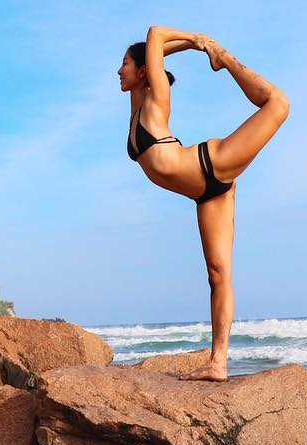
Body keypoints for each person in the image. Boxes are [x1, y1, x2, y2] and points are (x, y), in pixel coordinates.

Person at [119, 25, 290, 382]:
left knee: (278, 104)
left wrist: (202, 43)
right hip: (207, 194)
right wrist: (190, 47)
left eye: (124, 64)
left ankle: (226, 60)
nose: (118, 71)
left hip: (212, 162)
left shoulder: (156, 98)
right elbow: (157, 51)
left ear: (141, 71)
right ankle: (218, 363)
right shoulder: (135, 105)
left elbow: (154, 35)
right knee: (218, 275)